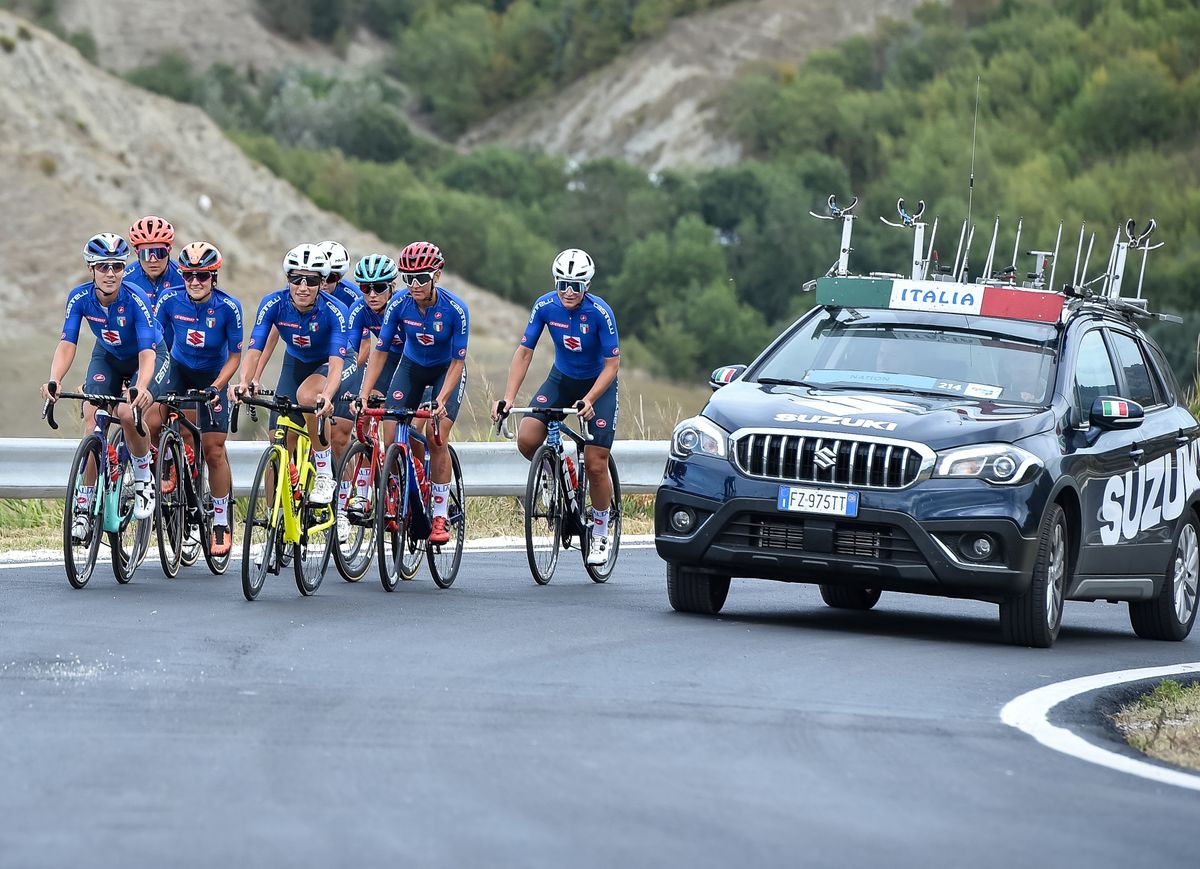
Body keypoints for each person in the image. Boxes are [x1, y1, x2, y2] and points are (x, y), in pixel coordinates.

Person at [492, 248, 620, 566]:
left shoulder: (599, 313)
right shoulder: (546, 305)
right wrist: (508, 398)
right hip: (561, 379)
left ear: (587, 286)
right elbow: (524, 352)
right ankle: (553, 476)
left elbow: (613, 364)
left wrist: (590, 399)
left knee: (595, 462)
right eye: (562, 283)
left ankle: (601, 531)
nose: (567, 292)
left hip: (597, 386)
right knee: (527, 438)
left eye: (575, 286)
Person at [41, 233, 171, 541]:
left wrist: (140, 387)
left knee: (128, 413)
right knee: (92, 418)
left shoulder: (135, 297)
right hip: (108, 356)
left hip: (149, 356)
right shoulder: (80, 298)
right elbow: (67, 343)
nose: (110, 273)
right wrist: (55, 379)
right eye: (103, 267)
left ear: (124, 268)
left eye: (116, 266)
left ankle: (142, 477)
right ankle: (84, 507)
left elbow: (147, 353)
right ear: (91, 269)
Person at [355, 242, 467, 546]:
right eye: (408, 278)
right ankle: (402, 491)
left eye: (421, 278)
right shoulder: (398, 305)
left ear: (437, 275)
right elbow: (379, 352)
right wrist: (364, 394)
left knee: (435, 435)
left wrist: (441, 399)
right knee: (391, 435)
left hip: (446, 372)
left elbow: (458, 362)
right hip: (412, 367)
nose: (414, 285)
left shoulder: (455, 309)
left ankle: (441, 514)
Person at [237, 243, 350, 505]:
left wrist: (328, 395)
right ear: (287, 279)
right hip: (295, 363)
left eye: (310, 281)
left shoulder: (334, 310)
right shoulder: (273, 303)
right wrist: (245, 381)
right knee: (277, 439)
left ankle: (323, 473)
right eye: (295, 278)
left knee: (310, 396)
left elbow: (336, 363)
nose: (302, 286)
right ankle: (272, 515)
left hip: (328, 364)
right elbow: (255, 348)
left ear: (321, 283)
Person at [155, 242, 244, 556]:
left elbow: (235, 356)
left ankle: (220, 520)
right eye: (189, 275)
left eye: (202, 276)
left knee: (214, 450)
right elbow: (157, 340)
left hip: (213, 376)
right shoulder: (169, 300)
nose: (194, 281)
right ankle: (168, 461)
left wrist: (217, 387)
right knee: (152, 412)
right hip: (178, 367)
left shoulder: (228, 307)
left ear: (213, 277)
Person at [332, 253, 401, 542]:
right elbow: (350, 346)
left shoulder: (402, 306)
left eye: (379, 288)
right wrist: (347, 383)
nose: (372, 294)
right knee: (367, 416)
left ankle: (409, 483)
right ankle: (363, 495)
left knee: (397, 432)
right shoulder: (360, 309)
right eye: (365, 288)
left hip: (417, 364)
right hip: (385, 364)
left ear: (392, 286)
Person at [123, 215, 183, 309]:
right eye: (145, 254)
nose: (153, 259)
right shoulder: (125, 279)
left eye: (159, 253)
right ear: (137, 253)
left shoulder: (185, 278)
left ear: (169, 250)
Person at [318, 240, 360, 309]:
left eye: (331, 278)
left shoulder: (355, 296)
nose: (324, 283)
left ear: (340, 278)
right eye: (320, 277)